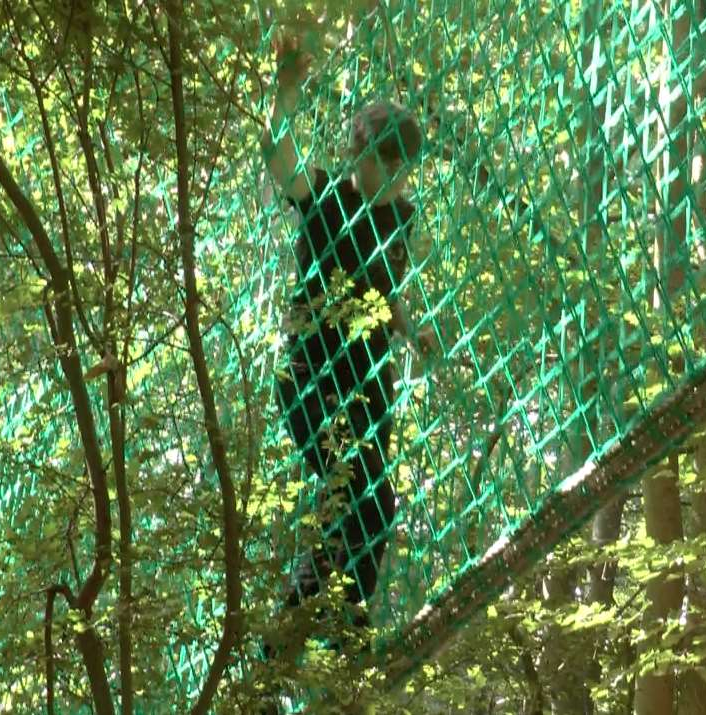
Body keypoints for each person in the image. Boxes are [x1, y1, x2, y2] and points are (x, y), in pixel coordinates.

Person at [260, 8, 426, 628]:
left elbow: (383, 288)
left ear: (400, 166)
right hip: (315, 374)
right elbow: (279, 157)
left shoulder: (400, 221)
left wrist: (411, 329)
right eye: (364, 156)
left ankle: (333, 624)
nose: (369, 170)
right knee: (348, 494)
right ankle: (296, 632)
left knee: (375, 506)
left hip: (368, 383)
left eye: (381, 162)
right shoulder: (330, 198)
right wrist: (287, 88)